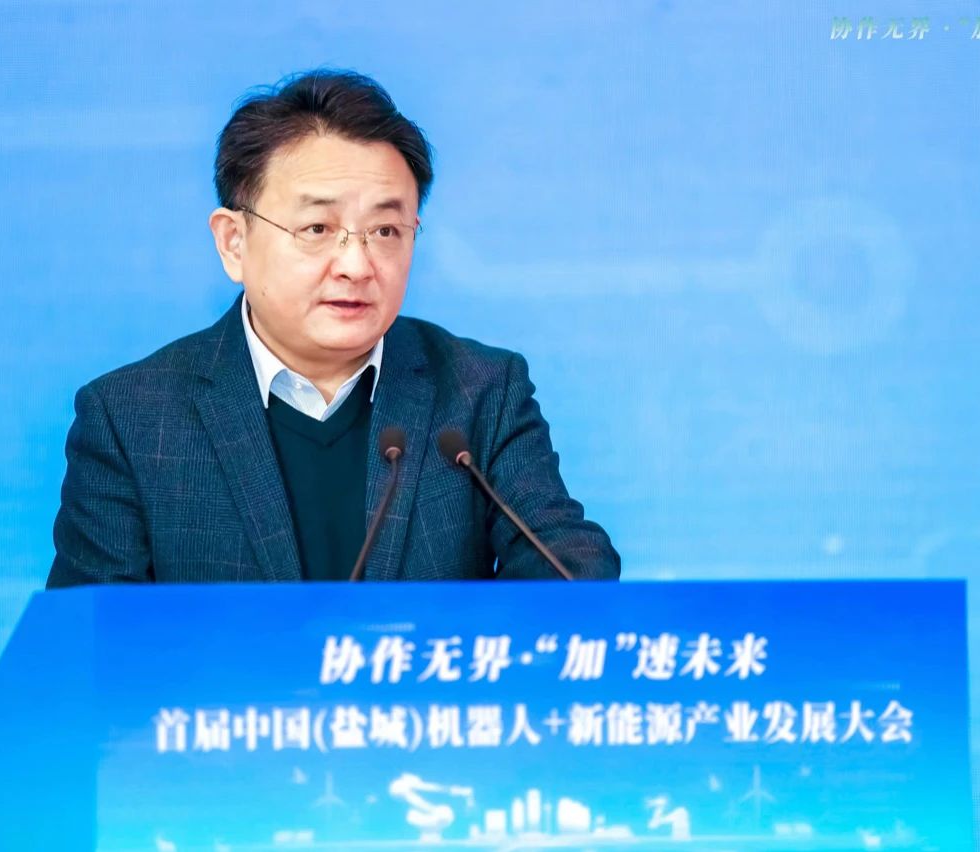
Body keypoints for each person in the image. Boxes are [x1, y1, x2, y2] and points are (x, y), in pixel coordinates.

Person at [46, 70, 619, 586]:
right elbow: (90, 640)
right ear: (234, 242)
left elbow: (569, 566)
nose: (356, 264)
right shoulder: (131, 418)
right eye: (317, 228)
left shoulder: (481, 391)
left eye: (385, 231)